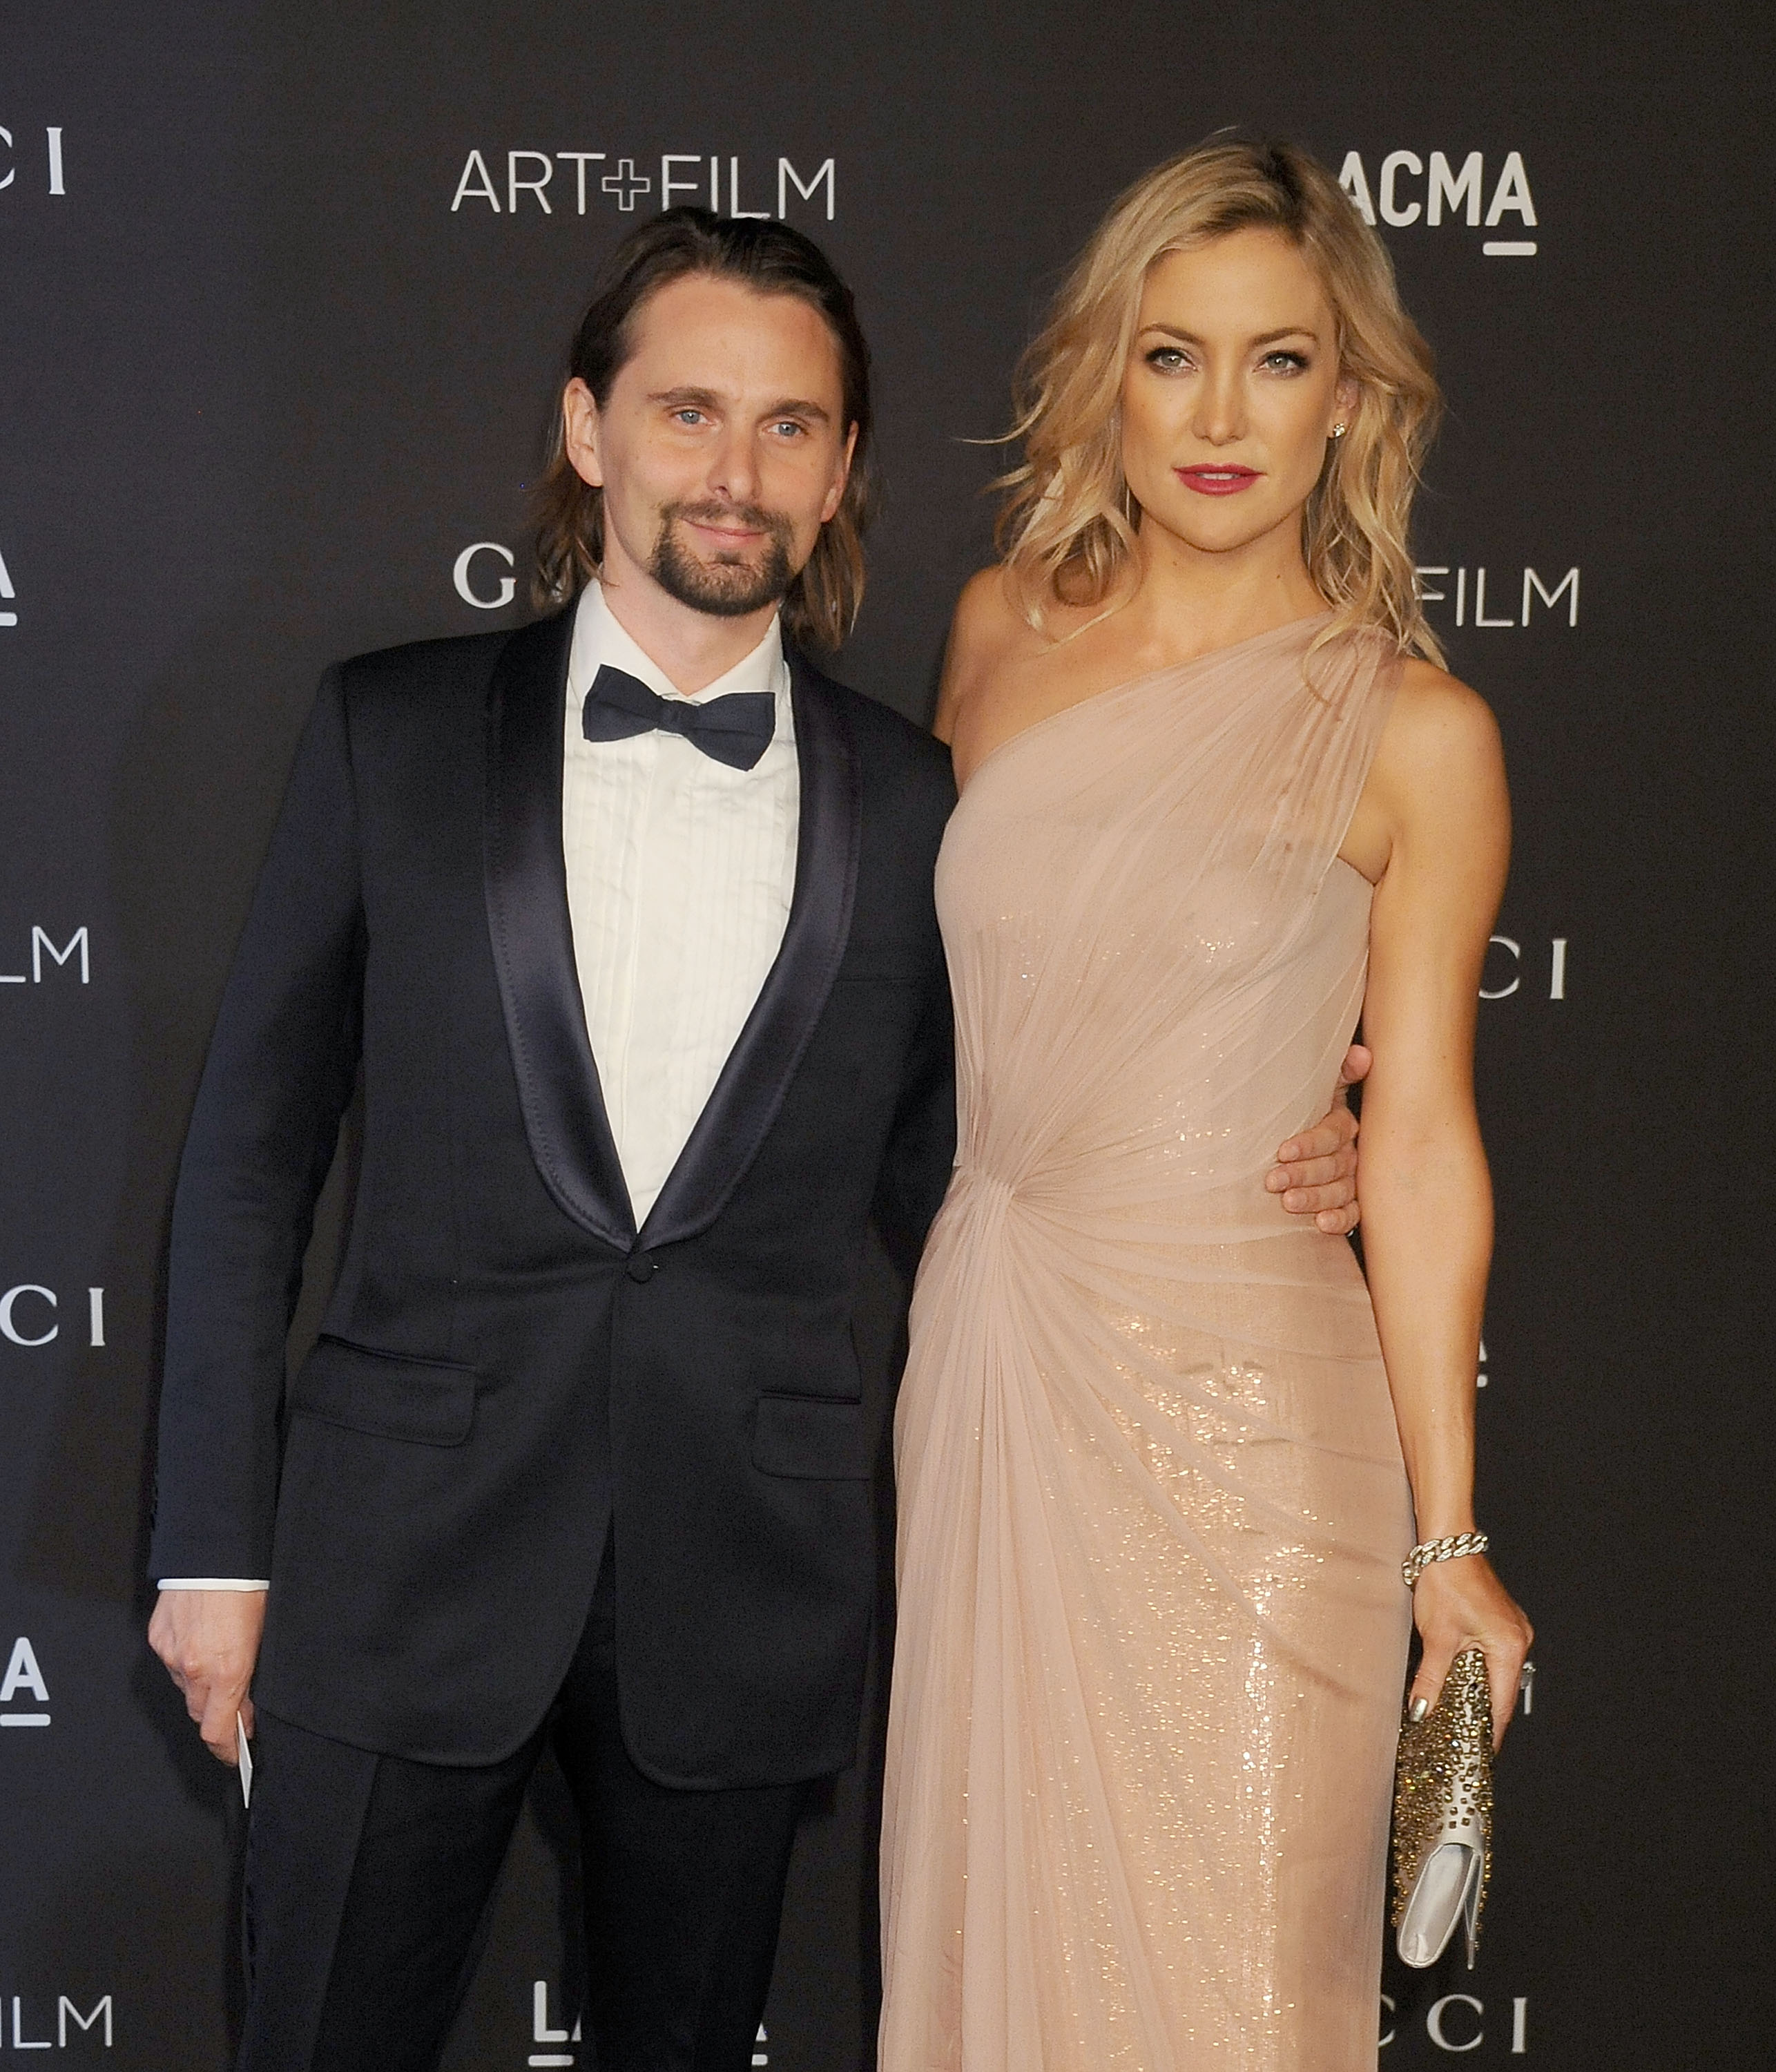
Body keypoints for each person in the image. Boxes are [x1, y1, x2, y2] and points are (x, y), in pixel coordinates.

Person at [145, 207, 1362, 2072]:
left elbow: (1000, 1148)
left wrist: (1266, 1149)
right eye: (689, 412)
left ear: (845, 465)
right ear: (588, 429)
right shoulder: (387, 734)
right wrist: (214, 1551)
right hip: (397, 1567)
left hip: (742, 1578)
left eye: (790, 425)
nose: (736, 470)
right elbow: (248, 1160)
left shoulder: (918, 799)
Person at [879, 141, 1534, 2072]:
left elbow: (1412, 1136)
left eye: (1277, 361)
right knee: (996, 1947)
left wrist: (1451, 1542)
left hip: (1255, 1429)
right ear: (1107, 374)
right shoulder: (998, 631)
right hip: (996, 1361)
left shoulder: (1416, 729)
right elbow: (938, 1012)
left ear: (1352, 395)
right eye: (1173, 357)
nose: (1221, 415)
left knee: (1240, 2000)